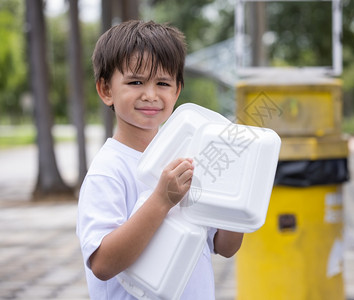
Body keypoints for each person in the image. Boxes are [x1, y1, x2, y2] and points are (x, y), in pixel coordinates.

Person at [76, 20, 243, 300]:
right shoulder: (108, 171)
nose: (151, 95)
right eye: (136, 82)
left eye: (163, 83)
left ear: (177, 91)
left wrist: (238, 193)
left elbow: (224, 246)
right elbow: (102, 264)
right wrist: (161, 200)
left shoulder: (190, 155)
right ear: (106, 90)